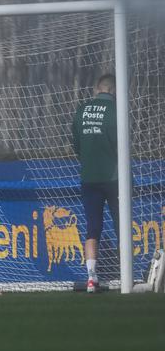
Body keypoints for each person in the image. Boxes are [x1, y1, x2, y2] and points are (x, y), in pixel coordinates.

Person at [71, 73, 119, 294]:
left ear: (96, 89)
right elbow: (120, 143)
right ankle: (126, 273)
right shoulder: (116, 110)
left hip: (88, 176)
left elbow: (76, 143)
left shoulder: (82, 110)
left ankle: (91, 278)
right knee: (121, 225)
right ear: (113, 90)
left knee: (92, 228)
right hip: (114, 177)